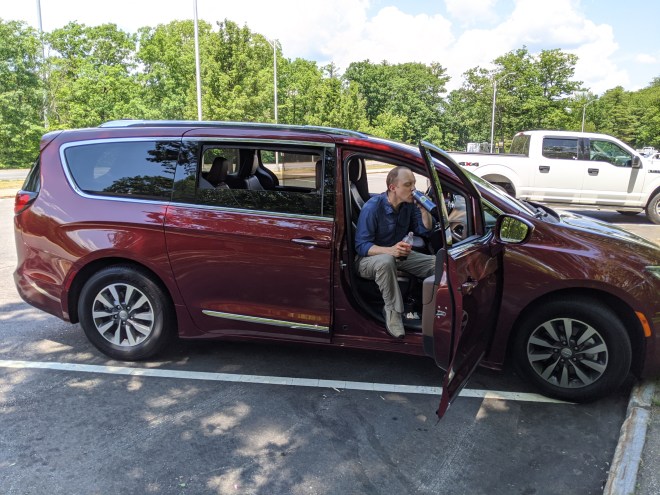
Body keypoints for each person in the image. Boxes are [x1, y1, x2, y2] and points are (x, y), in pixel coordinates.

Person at [355, 166, 436, 338]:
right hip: (368, 259)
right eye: (408, 184)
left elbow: (424, 230)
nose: (413, 189)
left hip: (397, 254)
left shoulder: (408, 205)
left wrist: (424, 210)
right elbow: (362, 246)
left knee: (438, 264)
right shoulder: (372, 208)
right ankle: (393, 312)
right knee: (386, 261)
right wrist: (391, 251)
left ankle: (435, 308)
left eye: (414, 183)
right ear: (393, 187)